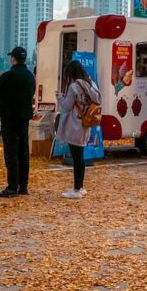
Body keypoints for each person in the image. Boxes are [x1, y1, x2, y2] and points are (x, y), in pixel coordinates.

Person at [0, 46, 37, 197]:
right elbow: (33, 91)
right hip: (24, 118)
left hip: (9, 118)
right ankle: (23, 186)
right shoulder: (30, 76)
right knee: (23, 152)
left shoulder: (7, 76)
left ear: (13, 59)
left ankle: (12, 186)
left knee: (11, 153)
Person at [56, 60, 101, 197]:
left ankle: (76, 189)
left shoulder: (74, 87)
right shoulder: (91, 84)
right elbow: (98, 100)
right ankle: (80, 187)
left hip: (75, 124)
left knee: (76, 158)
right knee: (80, 156)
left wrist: (59, 97)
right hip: (86, 123)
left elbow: (67, 106)